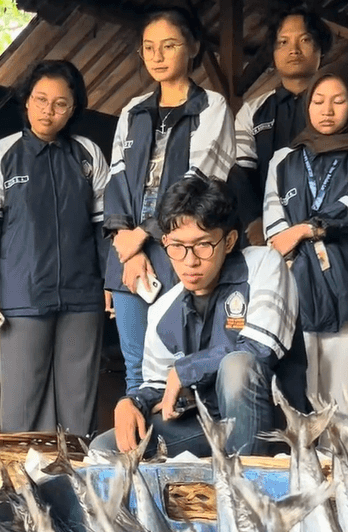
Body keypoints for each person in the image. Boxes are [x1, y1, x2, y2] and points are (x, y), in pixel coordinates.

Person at [91, 172, 304, 457]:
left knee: (237, 366)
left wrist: (187, 369)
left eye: (203, 245)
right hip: (205, 425)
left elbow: (260, 349)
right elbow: (158, 386)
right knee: (104, 449)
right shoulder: (163, 310)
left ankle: (245, 490)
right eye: (177, 247)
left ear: (228, 242)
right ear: (165, 242)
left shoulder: (263, 265)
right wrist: (132, 402)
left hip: (272, 425)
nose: (190, 261)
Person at [0, 59, 109, 436]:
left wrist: (111, 283)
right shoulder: (2, 154)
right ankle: (27, 488)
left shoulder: (88, 155)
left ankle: (78, 488)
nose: (49, 110)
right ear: (26, 101)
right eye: (41, 99)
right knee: (22, 406)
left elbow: (105, 229)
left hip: (82, 296)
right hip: (23, 295)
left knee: (79, 406)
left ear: (74, 109)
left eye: (60, 103)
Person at [104, 9, 235, 396]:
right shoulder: (132, 110)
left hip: (181, 247)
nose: (157, 56)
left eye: (169, 45)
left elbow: (201, 179)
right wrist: (126, 246)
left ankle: (180, 449)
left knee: (182, 358)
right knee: (134, 364)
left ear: (193, 47)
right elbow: (115, 179)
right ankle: (137, 455)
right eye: (149, 48)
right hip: (127, 250)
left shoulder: (211, 107)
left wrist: (145, 235)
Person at [264, 65, 348, 414]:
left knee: (347, 401)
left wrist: (305, 229)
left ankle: (344, 470)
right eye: (318, 101)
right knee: (299, 396)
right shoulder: (284, 160)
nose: (326, 109)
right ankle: (304, 469)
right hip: (297, 287)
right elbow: (274, 225)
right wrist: (294, 235)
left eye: (338, 101)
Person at [230, 6, 333, 247]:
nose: (294, 50)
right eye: (283, 42)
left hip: (324, 233)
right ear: (273, 53)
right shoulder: (254, 110)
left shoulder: (337, 105)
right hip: (265, 236)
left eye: (305, 40)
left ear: (321, 49)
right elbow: (238, 171)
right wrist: (254, 222)